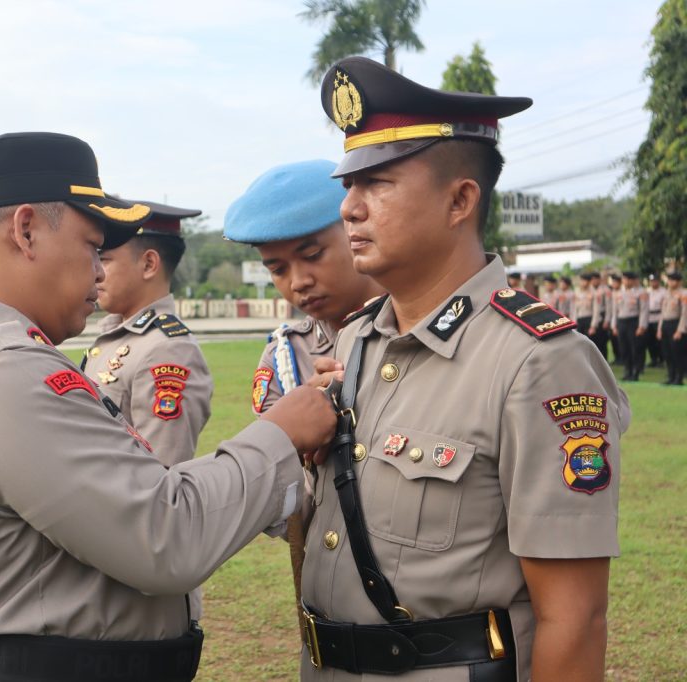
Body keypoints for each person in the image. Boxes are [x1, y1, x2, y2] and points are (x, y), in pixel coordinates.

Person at [0, 131, 337, 682]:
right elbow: (165, 536)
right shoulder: (3, 366)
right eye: (90, 247)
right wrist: (281, 434)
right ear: (26, 231)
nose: (99, 272)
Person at [299, 56, 628, 681]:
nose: (350, 209)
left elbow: (575, 618)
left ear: (459, 200)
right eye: (348, 185)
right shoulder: (354, 343)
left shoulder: (538, 362)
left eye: (379, 183)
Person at [222, 159, 383, 415]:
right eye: (277, 270)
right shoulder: (286, 358)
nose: (298, 282)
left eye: (313, 255)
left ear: (355, 230)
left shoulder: (413, 327)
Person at [82, 201, 212, 467]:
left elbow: (160, 473)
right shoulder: (116, 336)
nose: (95, 273)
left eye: (104, 259)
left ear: (149, 264)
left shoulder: (167, 349)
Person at [615, 271, 649, 381]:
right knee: (624, 348)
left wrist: (642, 326)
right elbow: (615, 310)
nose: (624, 282)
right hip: (621, 321)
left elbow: (644, 310)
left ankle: (636, 372)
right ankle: (627, 370)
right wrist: (614, 325)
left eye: (626, 279)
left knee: (635, 348)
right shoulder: (619, 293)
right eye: (623, 279)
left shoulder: (641, 292)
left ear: (632, 280)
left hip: (633, 321)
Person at [656, 272, 686, 385]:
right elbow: (662, 313)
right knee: (667, 353)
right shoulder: (667, 294)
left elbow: (684, 313)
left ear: (679, 282)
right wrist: (659, 328)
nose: (670, 282)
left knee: (677, 353)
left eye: (673, 280)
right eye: (669, 280)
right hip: (666, 324)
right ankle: (671, 376)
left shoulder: (683, 294)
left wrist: (680, 330)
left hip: (676, 324)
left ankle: (679, 378)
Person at [589, 271, 612, 361]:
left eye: (596, 279)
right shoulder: (590, 290)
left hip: (602, 315)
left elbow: (609, 306)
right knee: (593, 341)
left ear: (599, 280)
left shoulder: (605, 290)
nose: (594, 281)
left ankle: (604, 360)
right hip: (591, 316)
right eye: (592, 279)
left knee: (602, 341)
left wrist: (607, 320)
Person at [646, 274, 666, 367]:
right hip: (649, 317)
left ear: (658, 281)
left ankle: (661, 359)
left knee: (659, 341)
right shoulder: (647, 291)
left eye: (655, 281)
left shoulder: (663, 292)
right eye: (652, 281)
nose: (653, 282)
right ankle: (653, 359)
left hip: (658, 316)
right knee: (650, 341)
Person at [573, 272, 597, 338]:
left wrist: (593, 326)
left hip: (589, 319)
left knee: (589, 342)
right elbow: (575, 309)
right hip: (579, 320)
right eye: (582, 280)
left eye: (585, 281)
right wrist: (574, 322)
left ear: (589, 282)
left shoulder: (593, 292)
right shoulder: (577, 292)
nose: (583, 283)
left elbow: (596, 310)